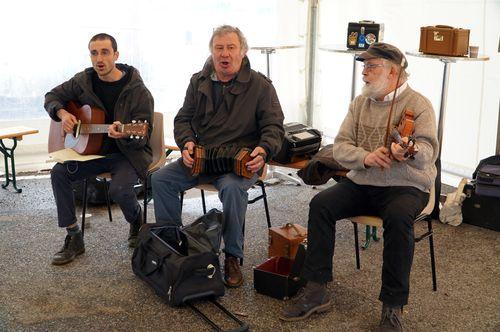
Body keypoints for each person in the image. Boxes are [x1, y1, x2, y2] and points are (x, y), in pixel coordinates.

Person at [280, 43, 438, 331]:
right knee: (321, 205)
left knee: (400, 217)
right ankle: (317, 290)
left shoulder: (419, 105)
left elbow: (428, 152)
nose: (364, 72)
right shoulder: (360, 103)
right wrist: (365, 157)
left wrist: (410, 152)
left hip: (406, 186)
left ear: (394, 72)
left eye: (371, 66)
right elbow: (340, 148)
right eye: (363, 66)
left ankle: (392, 307)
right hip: (363, 181)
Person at [151, 25, 284, 288]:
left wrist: (264, 150)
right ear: (212, 52)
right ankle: (172, 246)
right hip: (202, 158)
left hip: (243, 163)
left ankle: (233, 257)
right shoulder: (197, 81)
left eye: (231, 47)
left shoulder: (260, 86)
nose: (225, 54)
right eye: (219, 48)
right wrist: (187, 142)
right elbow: (183, 119)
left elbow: (274, 126)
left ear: (243, 51)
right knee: (161, 179)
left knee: (233, 189)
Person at [44, 33, 154, 265]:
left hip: (125, 154)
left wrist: (125, 132)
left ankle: (136, 219)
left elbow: (143, 135)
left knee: (120, 190)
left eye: (105, 52)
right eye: (94, 53)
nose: (99, 59)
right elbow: (52, 96)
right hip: (91, 153)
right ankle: (74, 236)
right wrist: (63, 114)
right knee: (58, 173)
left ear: (116, 55)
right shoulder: (83, 81)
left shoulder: (138, 90)